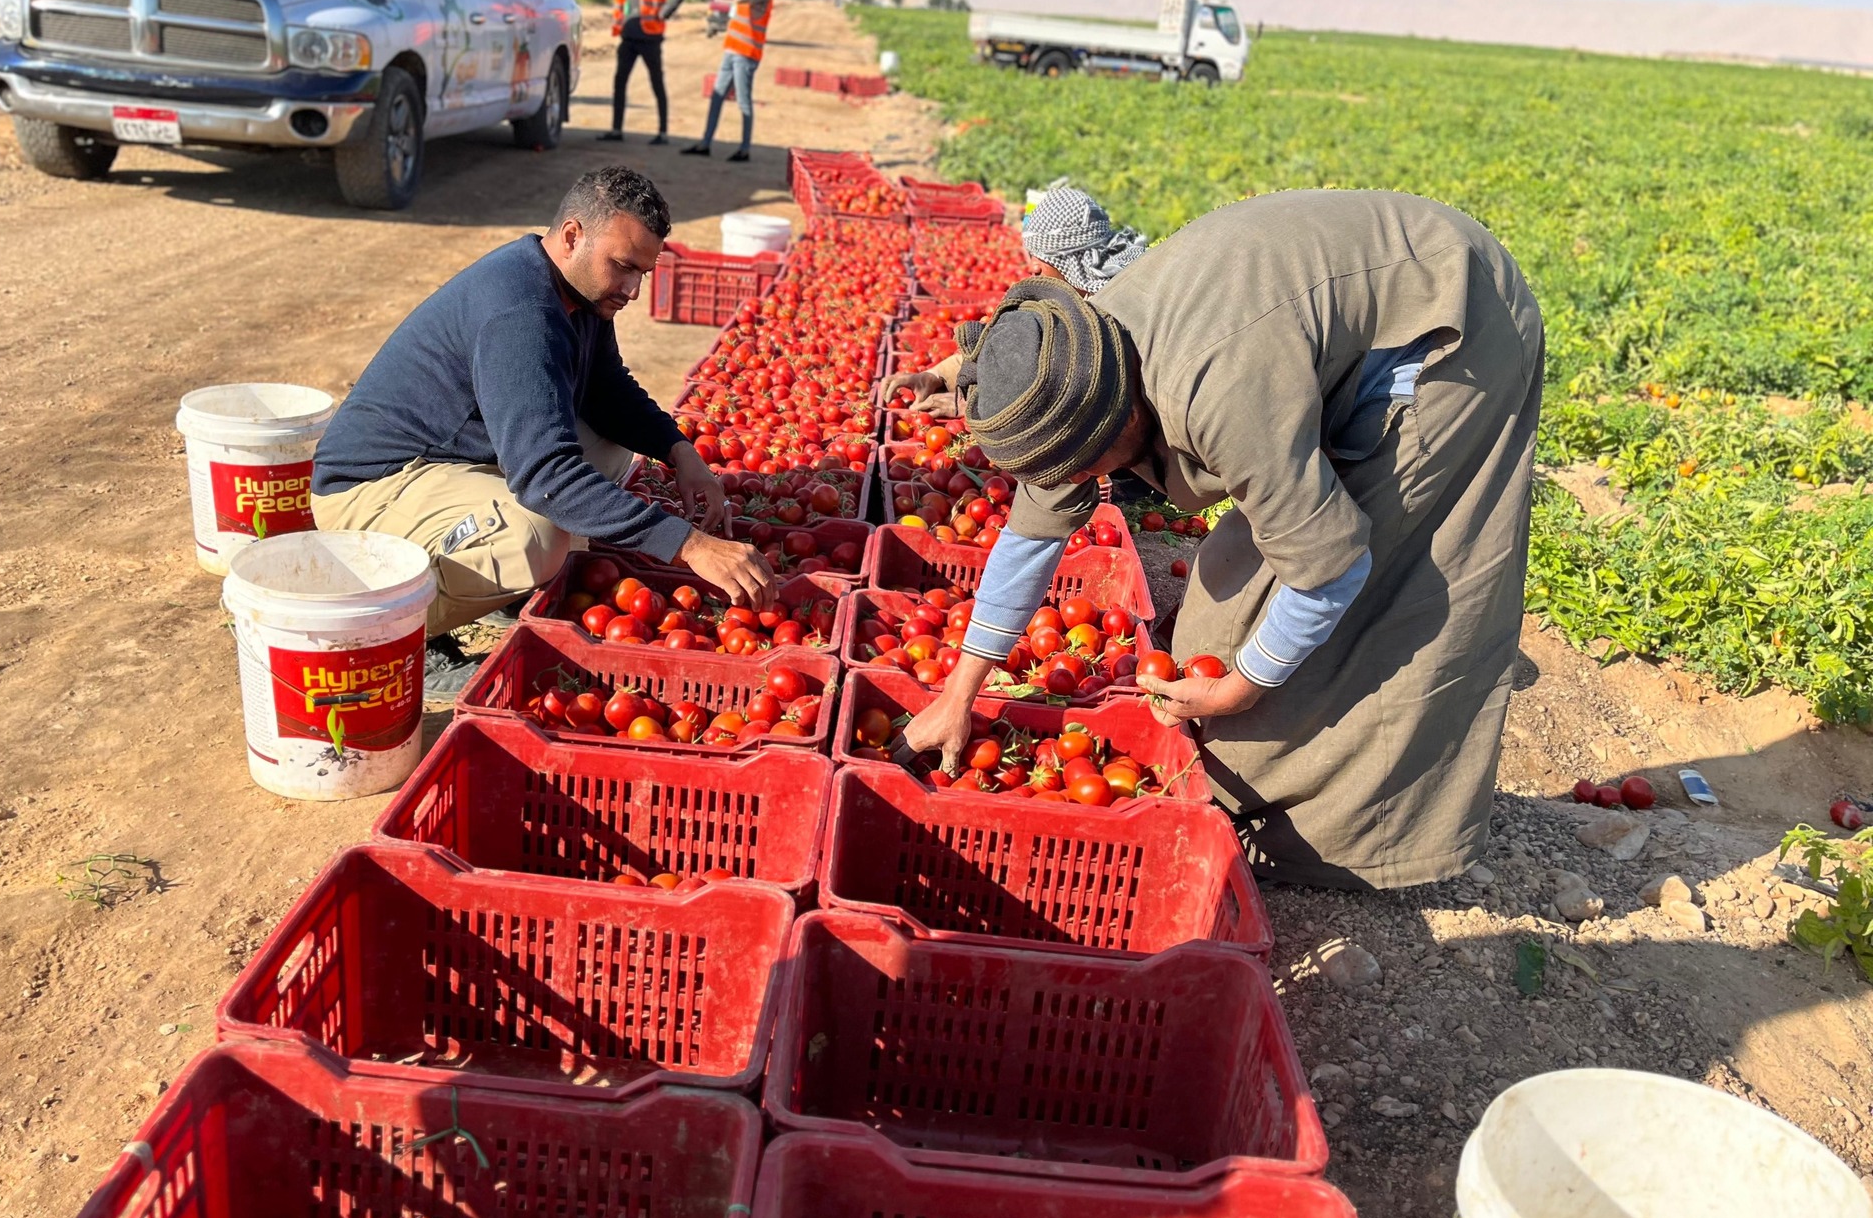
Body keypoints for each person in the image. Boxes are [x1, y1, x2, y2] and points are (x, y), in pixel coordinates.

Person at [899, 189, 1544, 891]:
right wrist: (962, 692)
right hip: (1314, 314)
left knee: (1378, 583)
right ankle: (1265, 779)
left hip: (1450, 320)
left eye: (1090, 472)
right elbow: (1031, 538)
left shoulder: (1217, 394)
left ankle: (1366, 841)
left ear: (1118, 432)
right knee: (1234, 603)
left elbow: (1332, 567)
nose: (1080, 486)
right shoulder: (1080, 368)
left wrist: (1245, 686)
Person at [311, 166, 776, 695]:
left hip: (451, 460)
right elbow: (544, 476)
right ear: (573, 235)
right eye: (623, 267)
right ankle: (393, 634)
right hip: (373, 491)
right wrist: (689, 545)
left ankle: (486, 586)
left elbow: (607, 390)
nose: (631, 289)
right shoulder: (520, 310)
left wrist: (680, 452)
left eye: (642, 273)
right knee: (539, 534)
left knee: (607, 445)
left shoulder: (574, 291)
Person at [885, 184, 1147, 413]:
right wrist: (937, 376)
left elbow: (1078, 396)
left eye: (1043, 257)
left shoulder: (1115, 311)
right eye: (1030, 255)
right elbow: (1016, 353)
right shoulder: (1064, 294)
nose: (1032, 268)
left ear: (1073, 258)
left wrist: (970, 405)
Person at [683, 0, 773, 163]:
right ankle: (705, 144)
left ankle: (744, 149)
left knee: (743, 101)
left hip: (747, 53)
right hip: (731, 50)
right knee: (717, 96)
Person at [599, 0, 686, 145]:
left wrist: (664, 13)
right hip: (628, 36)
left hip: (649, 36)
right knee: (619, 82)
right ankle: (616, 130)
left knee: (657, 82)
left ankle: (663, 133)